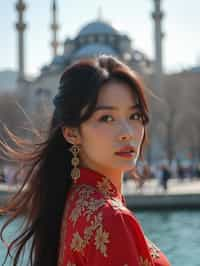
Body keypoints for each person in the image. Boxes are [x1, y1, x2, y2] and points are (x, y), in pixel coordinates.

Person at [0, 55, 171, 266]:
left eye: (135, 116)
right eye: (106, 118)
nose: (127, 133)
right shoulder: (112, 219)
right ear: (72, 133)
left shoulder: (73, 201)